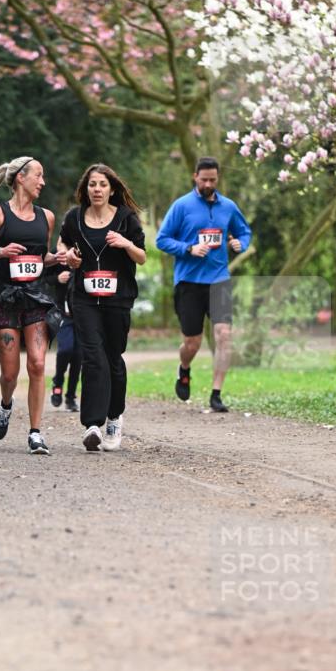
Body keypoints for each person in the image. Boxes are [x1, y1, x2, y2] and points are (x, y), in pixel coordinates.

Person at [0, 155, 63, 456]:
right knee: (10, 373)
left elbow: (42, 257)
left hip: (35, 297)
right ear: (21, 178)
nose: (43, 182)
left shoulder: (45, 217)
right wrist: (1, 251)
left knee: (37, 364)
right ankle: (6, 405)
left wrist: (61, 259)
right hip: (4, 298)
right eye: (39, 175)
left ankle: (35, 433)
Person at [60, 163, 146, 451]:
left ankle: (114, 417)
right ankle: (92, 425)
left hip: (118, 298)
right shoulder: (75, 218)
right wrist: (69, 256)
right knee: (92, 356)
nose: (97, 189)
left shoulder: (125, 219)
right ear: (86, 189)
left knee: (112, 358)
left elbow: (142, 256)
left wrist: (125, 244)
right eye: (92, 184)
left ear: (112, 189)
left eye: (102, 185)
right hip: (84, 298)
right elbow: (64, 245)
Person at [155, 156, 252, 412]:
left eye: (213, 179)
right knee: (192, 342)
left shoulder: (228, 207)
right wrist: (189, 248)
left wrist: (240, 243)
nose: (208, 184)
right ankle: (184, 369)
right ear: (195, 178)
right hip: (189, 282)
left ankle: (216, 393)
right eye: (204, 179)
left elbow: (244, 232)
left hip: (219, 279)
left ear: (217, 179)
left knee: (224, 335)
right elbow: (162, 240)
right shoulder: (181, 206)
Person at [48, 263, 81, 412]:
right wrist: (57, 278)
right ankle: (58, 382)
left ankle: (70, 397)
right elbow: (43, 278)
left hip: (82, 315)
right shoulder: (56, 258)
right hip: (63, 315)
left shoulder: (82, 253)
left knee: (78, 356)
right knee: (65, 350)